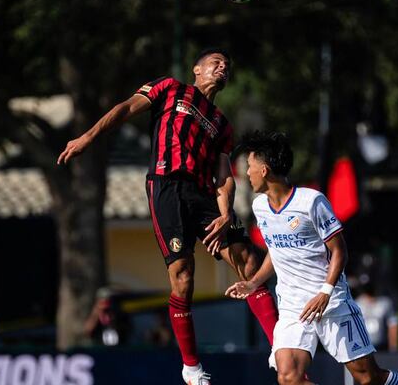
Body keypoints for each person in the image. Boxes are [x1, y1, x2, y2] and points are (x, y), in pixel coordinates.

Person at [58, 49, 279, 385]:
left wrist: (225, 213)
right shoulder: (170, 88)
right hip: (166, 187)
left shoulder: (222, 124)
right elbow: (125, 108)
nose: (223, 67)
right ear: (197, 69)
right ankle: (191, 368)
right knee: (183, 275)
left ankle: (280, 346)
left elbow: (224, 174)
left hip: (204, 196)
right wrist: (88, 136)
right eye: (216, 62)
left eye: (227, 65)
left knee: (248, 260)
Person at [225, 131, 398, 385]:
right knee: (288, 376)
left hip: (331, 303)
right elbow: (276, 252)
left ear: (264, 170)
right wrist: (254, 282)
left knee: (368, 378)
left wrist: (325, 293)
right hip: (293, 308)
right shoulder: (260, 207)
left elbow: (339, 251)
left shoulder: (311, 201)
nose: (247, 173)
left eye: (249, 166)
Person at [355, 282, 398, 352]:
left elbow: (393, 324)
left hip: (381, 346)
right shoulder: (357, 304)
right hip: (363, 348)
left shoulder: (385, 303)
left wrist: (393, 347)